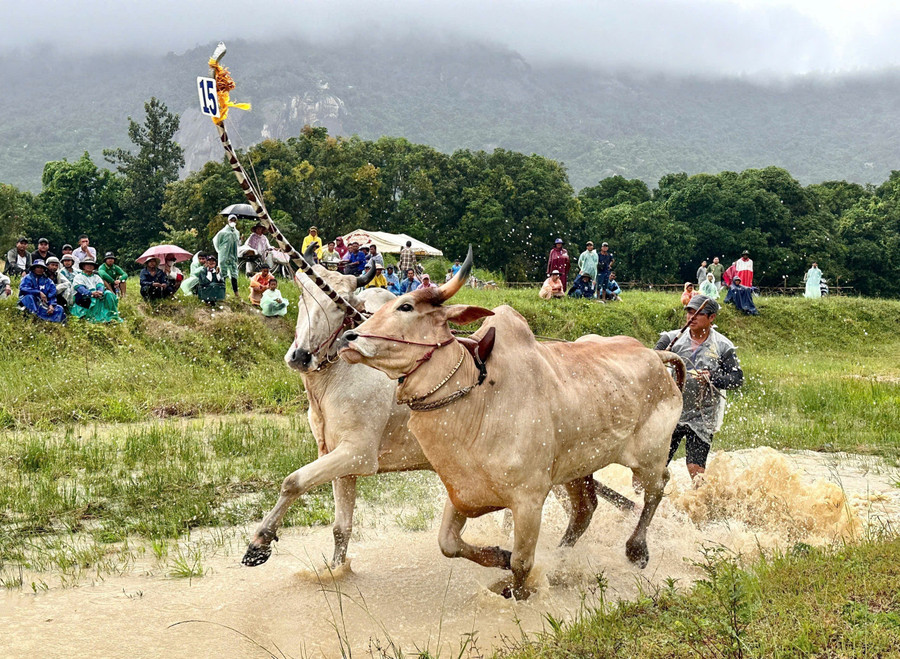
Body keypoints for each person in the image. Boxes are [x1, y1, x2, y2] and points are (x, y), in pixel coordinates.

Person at [655, 296, 743, 482]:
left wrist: (713, 377)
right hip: (672, 411)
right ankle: (644, 498)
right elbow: (650, 363)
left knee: (695, 469)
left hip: (703, 416)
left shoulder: (723, 346)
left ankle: (701, 504)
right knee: (656, 465)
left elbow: (737, 379)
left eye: (698, 313)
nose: (691, 317)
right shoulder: (670, 339)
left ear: (711, 318)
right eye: (689, 312)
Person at [71, 258, 122, 323]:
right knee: (93, 299)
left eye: (91, 265)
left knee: (109, 293)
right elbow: (80, 288)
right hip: (84, 296)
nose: (89, 266)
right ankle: (96, 316)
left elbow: (100, 285)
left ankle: (112, 314)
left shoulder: (96, 277)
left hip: (97, 294)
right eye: (87, 264)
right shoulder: (78, 277)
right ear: (83, 266)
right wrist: (91, 293)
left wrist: (100, 291)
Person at [213, 215, 241, 296]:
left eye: (234, 220)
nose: (233, 221)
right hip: (224, 255)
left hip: (233, 255)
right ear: (228, 221)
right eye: (231, 220)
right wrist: (220, 251)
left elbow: (237, 243)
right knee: (223, 273)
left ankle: (236, 292)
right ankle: (222, 292)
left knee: (234, 273)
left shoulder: (236, 232)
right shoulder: (222, 232)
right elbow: (216, 242)